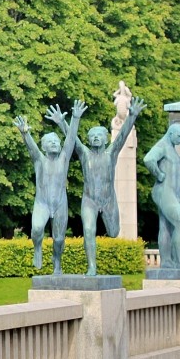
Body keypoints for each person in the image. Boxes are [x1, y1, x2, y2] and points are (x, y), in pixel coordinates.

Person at [47, 96, 145, 275]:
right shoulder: (84, 154)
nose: (96, 138)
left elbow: (122, 136)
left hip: (108, 200)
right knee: (88, 230)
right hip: (89, 200)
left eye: (99, 135)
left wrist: (132, 116)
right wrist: (62, 122)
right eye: (92, 136)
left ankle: (95, 261)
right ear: (89, 141)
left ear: (106, 140)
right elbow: (73, 139)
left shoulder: (111, 153)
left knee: (114, 232)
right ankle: (92, 267)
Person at [14, 100, 85, 274]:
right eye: (50, 141)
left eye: (56, 141)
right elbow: (31, 148)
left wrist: (75, 118)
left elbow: (70, 139)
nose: (54, 143)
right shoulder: (40, 160)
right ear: (44, 147)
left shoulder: (64, 159)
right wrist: (25, 133)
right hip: (42, 203)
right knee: (37, 229)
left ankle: (57, 265)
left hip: (60, 204)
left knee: (59, 240)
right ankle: (37, 247)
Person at [144, 124, 180, 269]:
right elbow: (148, 159)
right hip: (165, 192)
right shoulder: (163, 145)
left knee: (166, 227)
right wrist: (158, 174)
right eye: (179, 137)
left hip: (170, 193)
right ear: (171, 133)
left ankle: (167, 261)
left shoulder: (170, 147)